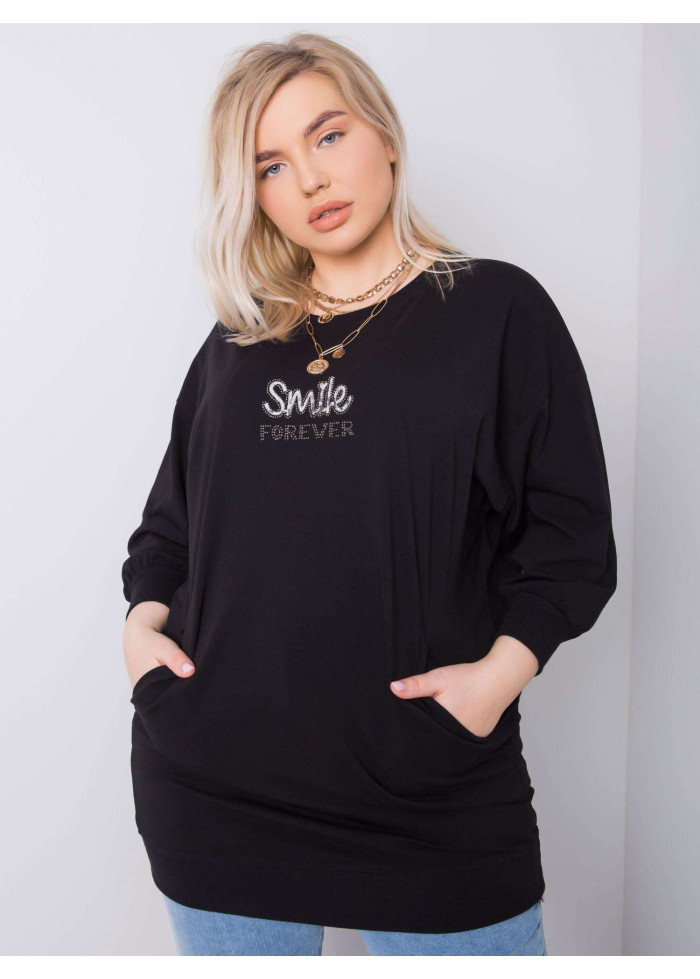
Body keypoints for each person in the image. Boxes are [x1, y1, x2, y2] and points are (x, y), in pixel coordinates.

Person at [121, 32, 616, 956]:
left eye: (328, 135)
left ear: (384, 134)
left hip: (433, 801)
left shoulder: (495, 312)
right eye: (271, 164)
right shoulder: (235, 346)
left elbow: (570, 538)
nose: (310, 178)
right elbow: (169, 529)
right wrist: (142, 629)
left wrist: (495, 681)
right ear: (255, 194)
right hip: (216, 799)